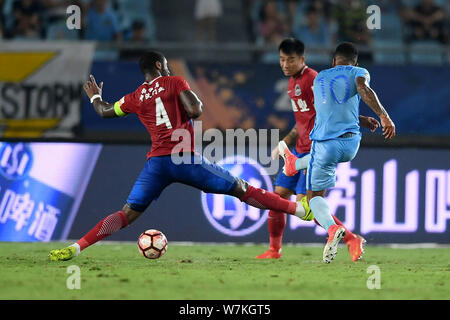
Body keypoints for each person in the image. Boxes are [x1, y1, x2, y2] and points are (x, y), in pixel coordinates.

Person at [49, 51, 312, 261]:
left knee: (127, 213)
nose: (168, 68)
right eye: (165, 65)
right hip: (184, 158)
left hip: (157, 164)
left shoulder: (135, 96)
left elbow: (105, 111)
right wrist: (188, 98)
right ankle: (299, 210)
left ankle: (76, 247)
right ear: (158, 64)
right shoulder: (175, 82)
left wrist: (96, 96)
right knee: (242, 188)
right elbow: (196, 110)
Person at [256, 38, 379, 261]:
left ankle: (351, 238)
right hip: (301, 146)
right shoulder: (292, 84)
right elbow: (303, 120)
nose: (285, 64)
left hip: (317, 146)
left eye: (290, 60)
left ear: (302, 59)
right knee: (278, 197)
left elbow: (333, 110)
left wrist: (360, 120)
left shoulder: (315, 78)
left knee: (309, 207)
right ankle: (275, 250)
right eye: (282, 60)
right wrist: (287, 139)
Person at [279, 42, 396, 263]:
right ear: (355, 62)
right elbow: (361, 89)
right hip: (351, 144)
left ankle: (332, 229)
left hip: (325, 144)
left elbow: (321, 109)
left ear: (333, 61)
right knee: (313, 161)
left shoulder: (320, 77)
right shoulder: (359, 72)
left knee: (313, 200)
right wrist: (381, 116)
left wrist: (382, 115)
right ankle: (294, 164)